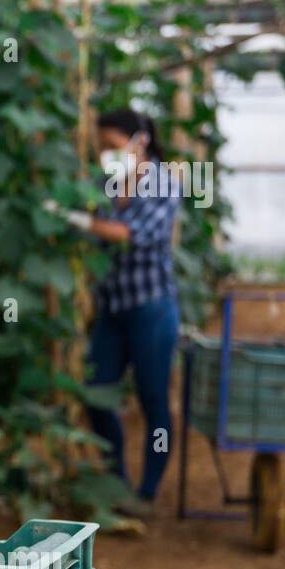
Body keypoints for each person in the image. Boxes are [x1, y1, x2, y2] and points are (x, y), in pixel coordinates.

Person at [43, 108, 183, 517]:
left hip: (152, 308)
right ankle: (117, 482)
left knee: (153, 398)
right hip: (113, 309)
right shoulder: (109, 183)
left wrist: (79, 219)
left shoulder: (163, 183)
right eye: (101, 147)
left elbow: (128, 235)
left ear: (139, 142)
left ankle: (148, 492)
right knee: (97, 392)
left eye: (111, 145)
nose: (105, 153)